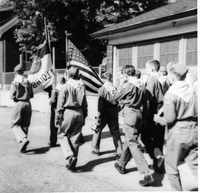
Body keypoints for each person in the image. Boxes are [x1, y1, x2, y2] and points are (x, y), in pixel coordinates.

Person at [153, 63, 198, 191]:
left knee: (171, 166)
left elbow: (169, 119)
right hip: (194, 129)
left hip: (179, 131)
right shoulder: (193, 90)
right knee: (195, 164)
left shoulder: (171, 93)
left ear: (172, 77)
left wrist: (157, 118)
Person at [113, 65, 154, 187]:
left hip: (130, 114)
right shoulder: (141, 84)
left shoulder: (128, 85)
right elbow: (146, 102)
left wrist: (121, 84)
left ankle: (146, 173)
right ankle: (121, 164)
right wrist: (145, 117)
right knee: (130, 140)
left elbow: (115, 98)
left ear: (126, 74)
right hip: (139, 114)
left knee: (133, 142)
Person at [55, 67, 88, 172]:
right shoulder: (82, 86)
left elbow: (60, 104)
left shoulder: (65, 86)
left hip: (68, 112)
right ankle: (72, 163)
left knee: (61, 135)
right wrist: (84, 116)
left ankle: (69, 156)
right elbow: (85, 103)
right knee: (75, 138)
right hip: (79, 112)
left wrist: (58, 117)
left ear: (68, 75)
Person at [141, 59, 166, 173]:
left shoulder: (151, 78)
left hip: (154, 108)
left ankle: (157, 157)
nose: (146, 71)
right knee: (159, 138)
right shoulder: (164, 78)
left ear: (151, 69)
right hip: (163, 108)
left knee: (145, 136)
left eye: (146, 68)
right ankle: (159, 166)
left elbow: (148, 97)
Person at [91, 72, 123, 158]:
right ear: (111, 78)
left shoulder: (102, 89)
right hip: (114, 111)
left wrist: (99, 115)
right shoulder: (116, 88)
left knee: (98, 129)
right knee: (115, 131)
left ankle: (95, 149)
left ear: (103, 79)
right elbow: (120, 102)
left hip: (104, 111)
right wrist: (117, 110)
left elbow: (100, 104)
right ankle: (119, 151)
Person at [10, 64, 34, 153]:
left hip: (19, 103)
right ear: (23, 72)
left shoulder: (15, 81)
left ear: (15, 72)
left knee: (15, 124)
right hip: (28, 103)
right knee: (25, 125)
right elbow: (31, 95)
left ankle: (23, 140)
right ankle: (23, 146)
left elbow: (12, 96)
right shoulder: (28, 81)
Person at [49, 76, 66, 147]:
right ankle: (65, 141)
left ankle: (53, 142)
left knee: (53, 126)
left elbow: (52, 101)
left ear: (59, 82)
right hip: (64, 109)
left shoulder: (55, 90)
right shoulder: (66, 88)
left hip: (55, 109)